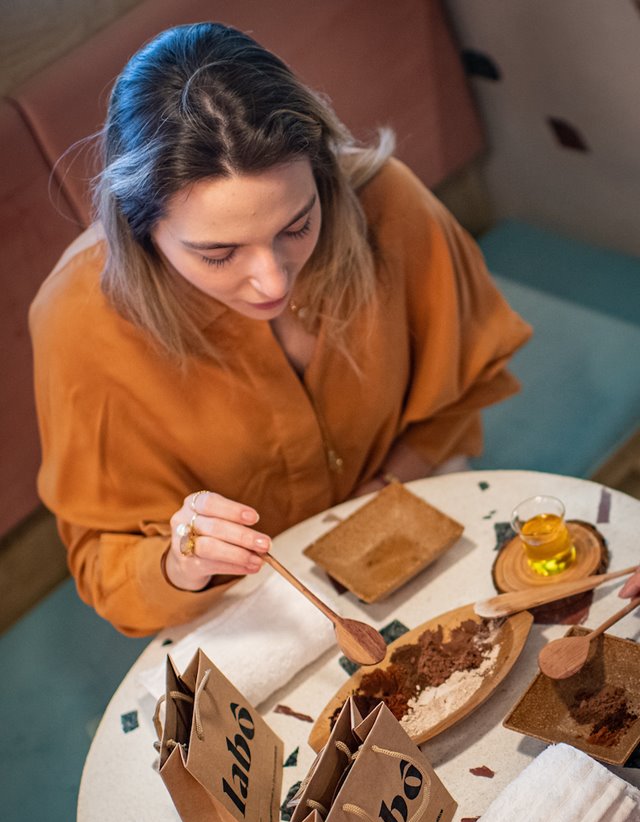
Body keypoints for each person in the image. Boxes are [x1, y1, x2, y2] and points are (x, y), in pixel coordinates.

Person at [30, 22, 532, 637]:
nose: (271, 282)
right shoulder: (79, 320)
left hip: (412, 500)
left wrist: (390, 483)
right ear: (141, 231)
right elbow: (102, 561)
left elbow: (466, 382)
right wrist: (181, 561)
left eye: (296, 226)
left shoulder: (387, 203)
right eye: (219, 255)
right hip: (244, 605)